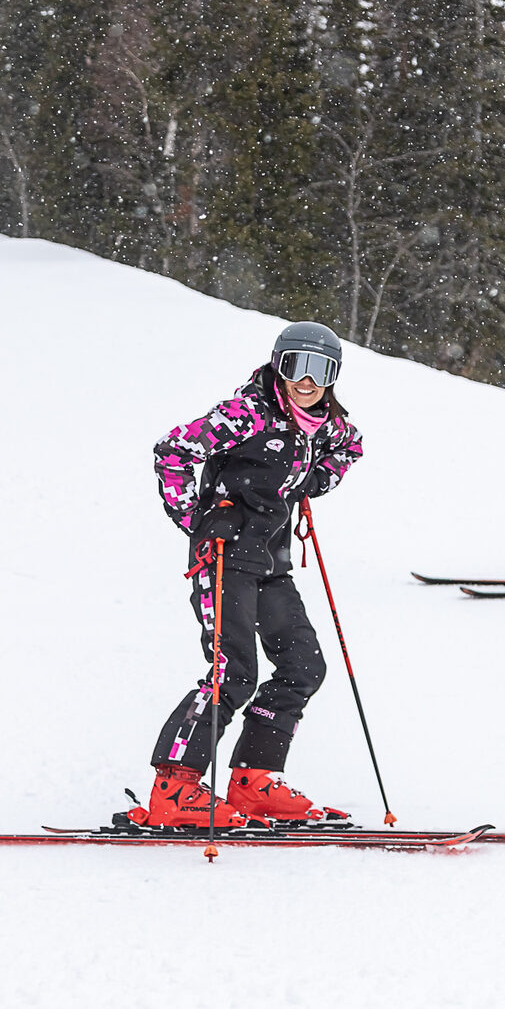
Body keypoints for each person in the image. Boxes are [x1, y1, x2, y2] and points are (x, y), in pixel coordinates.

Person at [137, 322, 364, 827]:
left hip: (271, 560)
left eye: (319, 370)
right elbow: (172, 450)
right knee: (232, 672)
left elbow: (350, 448)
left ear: (334, 376)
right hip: (222, 556)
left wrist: (315, 479)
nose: (306, 381)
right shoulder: (247, 414)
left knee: (303, 667)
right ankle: (174, 789)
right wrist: (193, 518)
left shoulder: (326, 424)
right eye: (294, 367)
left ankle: (253, 780)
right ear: (278, 366)